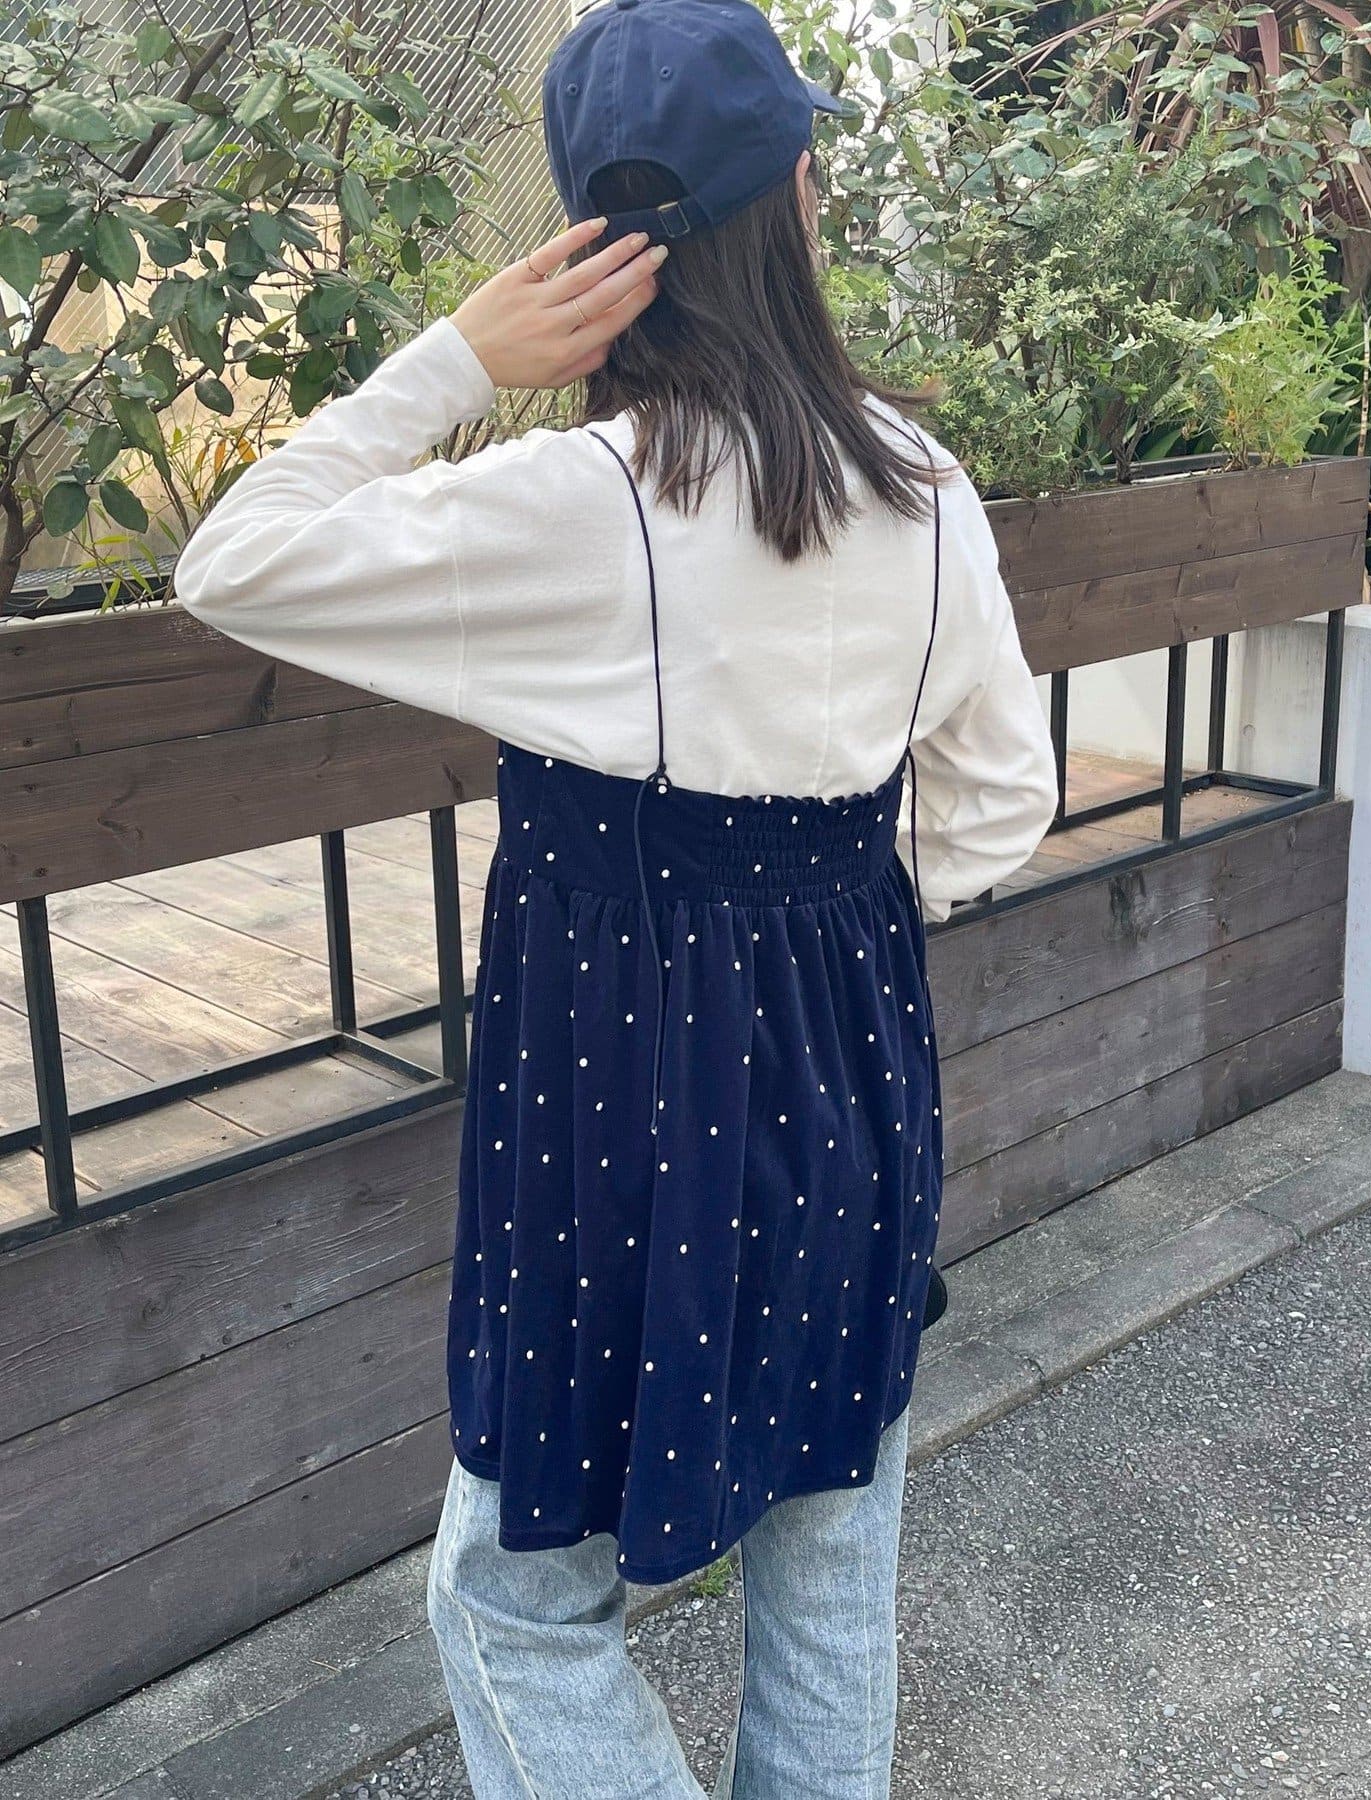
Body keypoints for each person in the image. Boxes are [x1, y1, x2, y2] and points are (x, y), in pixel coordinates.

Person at [172, 1, 1057, 1790]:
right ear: (793, 200)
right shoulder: (926, 486)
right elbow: (996, 809)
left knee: (512, 1601)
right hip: (853, 1074)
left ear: (595, 243)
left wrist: (454, 359)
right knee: (830, 1551)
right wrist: (824, 918)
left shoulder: (583, 503)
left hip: (620, 1104)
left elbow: (232, 561)